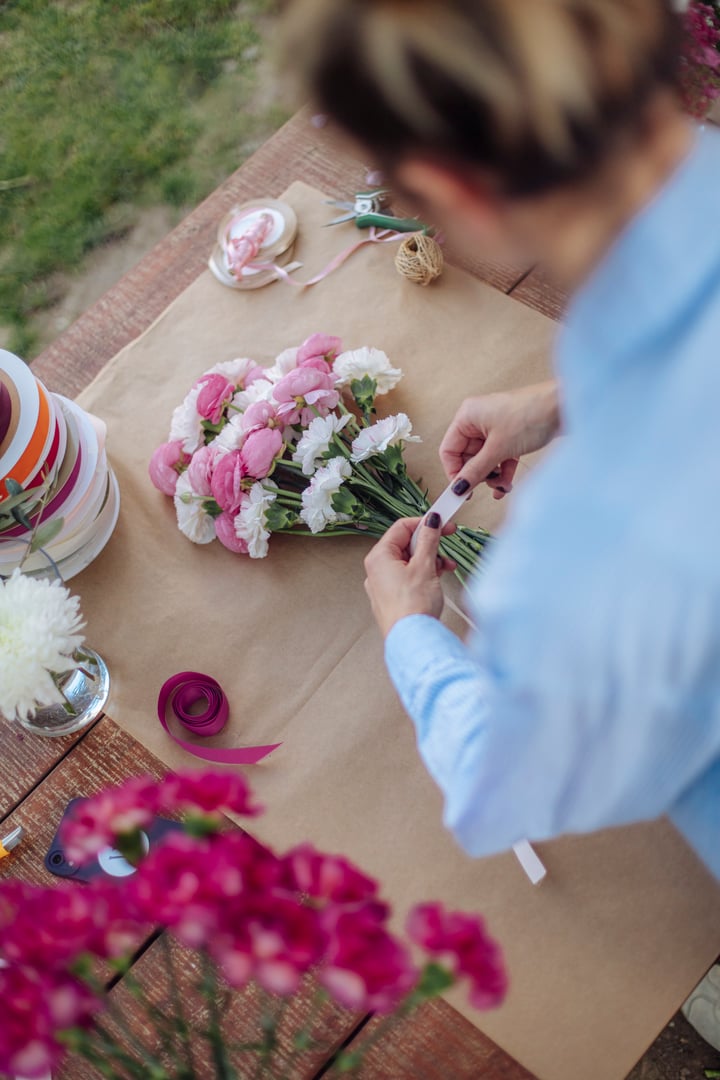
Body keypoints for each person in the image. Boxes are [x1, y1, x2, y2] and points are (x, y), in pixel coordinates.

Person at [284, 0, 720, 995]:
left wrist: (411, 633)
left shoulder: (586, 567)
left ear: (447, 190)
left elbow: (498, 784)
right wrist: (562, 402)